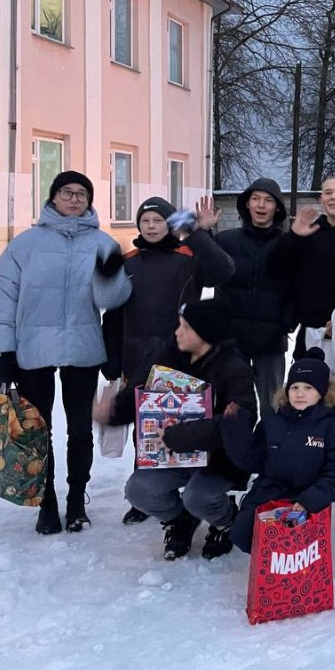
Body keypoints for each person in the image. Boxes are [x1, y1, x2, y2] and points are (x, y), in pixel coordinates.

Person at [0, 170, 132, 535]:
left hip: (82, 348)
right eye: (67, 192)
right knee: (38, 429)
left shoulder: (101, 243)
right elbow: (3, 295)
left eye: (82, 193)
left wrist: (110, 276)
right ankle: (46, 503)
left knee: (79, 430)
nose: (75, 199)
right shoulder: (25, 244)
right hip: (33, 348)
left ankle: (76, 502)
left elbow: (112, 301)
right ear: (53, 198)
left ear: (89, 200)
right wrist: (4, 350)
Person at [102, 194, 235, 525]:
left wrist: (199, 234)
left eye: (158, 221)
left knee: (183, 423)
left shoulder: (188, 256)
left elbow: (223, 271)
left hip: (182, 357)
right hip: (137, 358)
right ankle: (145, 498)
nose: (150, 227)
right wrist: (112, 359)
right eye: (145, 221)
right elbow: (113, 315)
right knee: (144, 429)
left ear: (170, 224)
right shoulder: (129, 262)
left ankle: (190, 491)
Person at [107, 299, 257, 560]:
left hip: (219, 460)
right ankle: (180, 521)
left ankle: (226, 522)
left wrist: (178, 436)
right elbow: (140, 392)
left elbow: (240, 422)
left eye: (186, 327)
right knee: (138, 490)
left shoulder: (235, 368)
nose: (178, 332)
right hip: (172, 457)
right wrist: (112, 411)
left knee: (197, 497)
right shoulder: (170, 355)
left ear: (205, 333)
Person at [269, 175, 335, 464]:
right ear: (321, 199)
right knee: (307, 399)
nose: (333, 197)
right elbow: (277, 268)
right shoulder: (308, 232)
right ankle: (309, 460)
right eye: (328, 192)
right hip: (311, 332)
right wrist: (293, 235)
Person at [221, 348, 335, 554]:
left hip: (306, 496)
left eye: (308, 387)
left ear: (322, 392)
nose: (300, 393)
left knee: (290, 539)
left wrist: (311, 499)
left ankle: (291, 568)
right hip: (270, 491)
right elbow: (253, 460)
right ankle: (269, 565)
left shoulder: (333, 428)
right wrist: (234, 429)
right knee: (242, 533)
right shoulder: (272, 423)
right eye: (294, 387)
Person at [214, 178, 294, 423]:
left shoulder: (287, 245)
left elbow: (297, 288)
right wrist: (202, 233)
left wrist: (286, 323)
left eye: (268, 200)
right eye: (256, 199)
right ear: (246, 204)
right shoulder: (225, 241)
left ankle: (270, 446)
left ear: (277, 208)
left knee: (273, 408)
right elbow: (204, 270)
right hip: (232, 340)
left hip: (271, 341)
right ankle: (234, 447)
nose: (261, 205)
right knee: (233, 408)